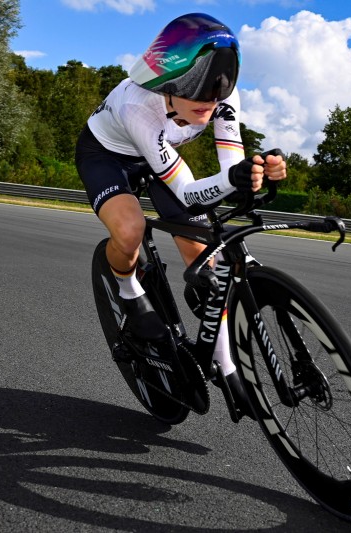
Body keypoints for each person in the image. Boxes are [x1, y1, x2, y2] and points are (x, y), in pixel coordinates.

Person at [75, 13, 286, 406]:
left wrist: (256, 174)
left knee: (204, 255)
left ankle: (223, 361)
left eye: (216, 94)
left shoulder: (223, 97)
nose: (209, 104)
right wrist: (235, 178)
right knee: (129, 231)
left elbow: (229, 169)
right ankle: (128, 289)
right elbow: (188, 191)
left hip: (161, 156)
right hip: (108, 156)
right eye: (198, 93)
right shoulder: (138, 105)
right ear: (168, 84)